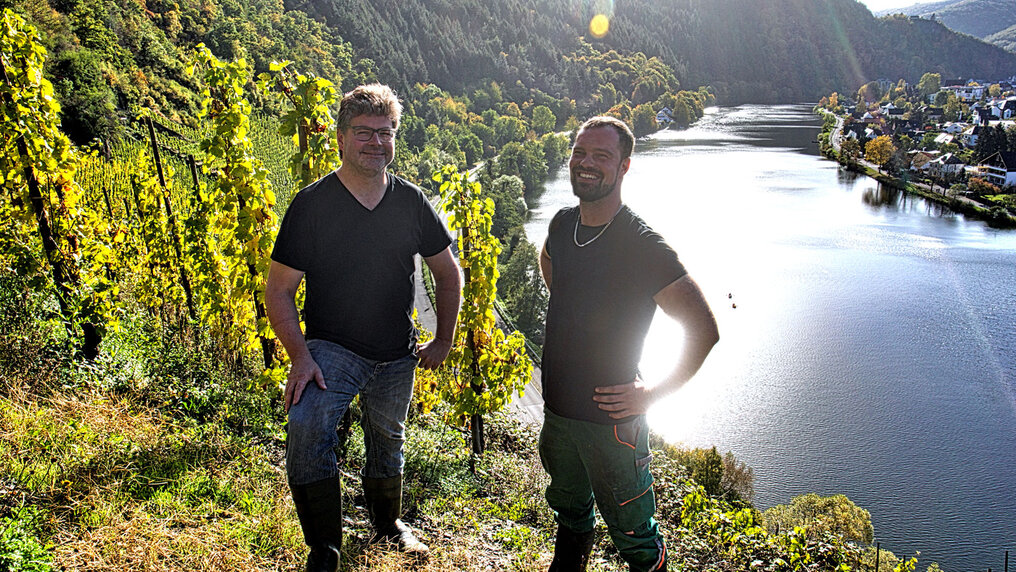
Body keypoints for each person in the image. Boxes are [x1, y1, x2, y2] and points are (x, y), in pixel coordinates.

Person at [266, 83, 462, 572]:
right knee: (308, 424)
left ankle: (388, 525)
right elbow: (279, 290)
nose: (376, 142)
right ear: (340, 137)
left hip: (397, 352)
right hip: (332, 348)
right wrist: (300, 357)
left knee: (388, 438)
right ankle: (324, 549)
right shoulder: (312, 205)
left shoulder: (411, 201)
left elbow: (448, 273)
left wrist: (444, 337)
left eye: (385, 132)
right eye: (364, 132)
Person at [538, 116, 719, 572]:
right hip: (558, 415)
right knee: (570, 513)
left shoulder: (642, 246)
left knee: (635, 537)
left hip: (612, 425)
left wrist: (652, 394)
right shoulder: (562, 225)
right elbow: (549, 264)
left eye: (601, 155)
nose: (586, 163)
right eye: (580, 152)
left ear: (624, 166)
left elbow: (703, 328)